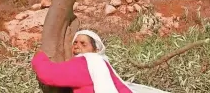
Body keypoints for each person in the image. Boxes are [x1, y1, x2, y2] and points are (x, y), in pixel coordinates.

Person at [32, 30, 169, 93]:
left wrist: (39, 57)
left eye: (83, 44)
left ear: (95, 49)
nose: (77, 46)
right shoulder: (100, 63)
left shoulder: (87, 62)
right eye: (75, 43)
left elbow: (48, 74)